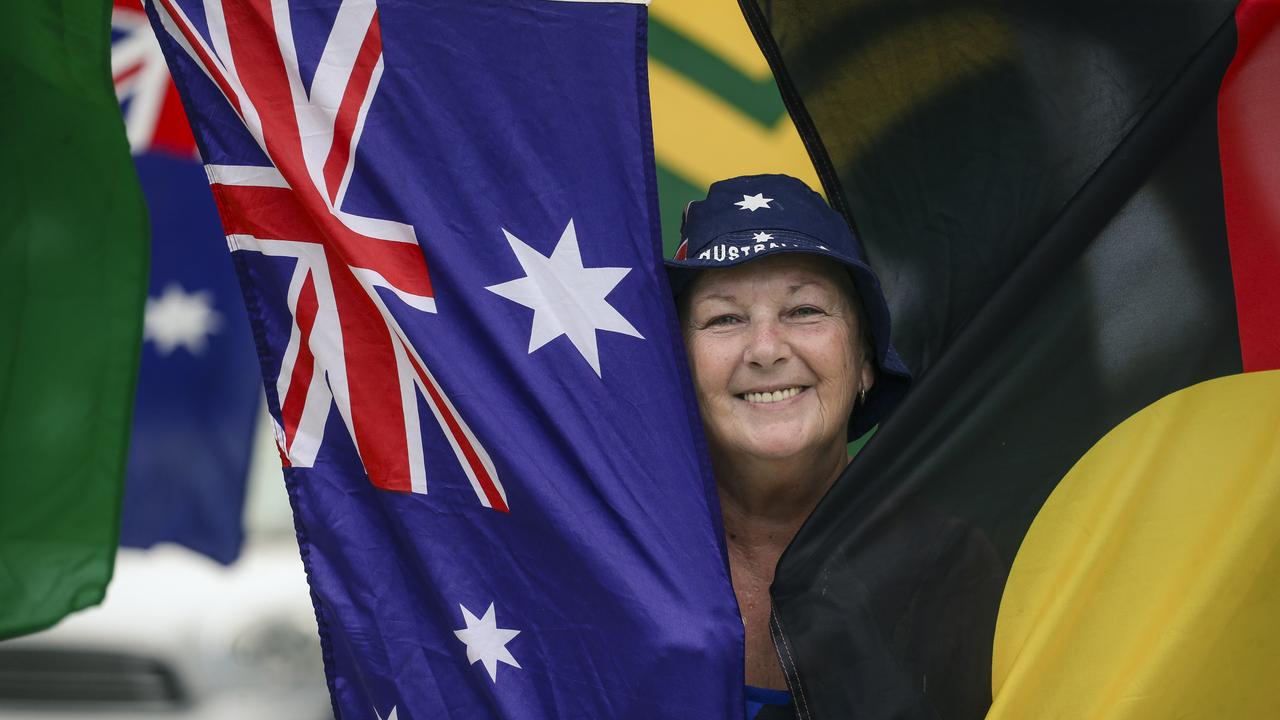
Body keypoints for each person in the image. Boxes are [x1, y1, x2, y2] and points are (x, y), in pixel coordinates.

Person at [665, 174, 912, 719]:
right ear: (676, 369)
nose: (766, 349)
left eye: (804, 311)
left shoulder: (954, 564)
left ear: (865, 361)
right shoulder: (618, 557)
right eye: (724, 318)